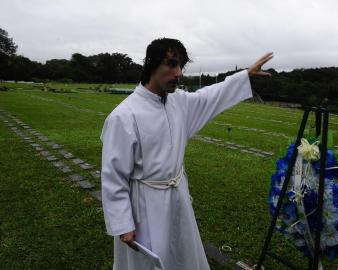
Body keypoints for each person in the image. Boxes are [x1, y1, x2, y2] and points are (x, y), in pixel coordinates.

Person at [100, 37, 273, 270]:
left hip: (178, 197)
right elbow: (113, 176)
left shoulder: (179, 102)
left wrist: (244, 76)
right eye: (171, 64)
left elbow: (211, 96)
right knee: (150, 260)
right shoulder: (124, 116)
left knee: (182, 253)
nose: (179, 72)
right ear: (152, 65)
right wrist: (123, 224)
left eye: (181, 66)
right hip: (145, 207)